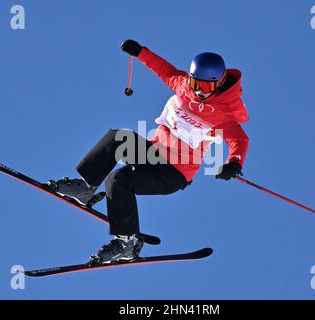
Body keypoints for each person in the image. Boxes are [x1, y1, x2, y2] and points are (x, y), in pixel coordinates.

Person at [48, 39, 250, 265]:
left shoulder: (223, 112)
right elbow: (166, 70)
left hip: (175, 172)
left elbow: (239, 139)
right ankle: (86, 187)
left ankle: (126, 243)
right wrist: (141, 53)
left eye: (207, 87)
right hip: (154, 153)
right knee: (118, 138)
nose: (200, 92)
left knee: (118, 179)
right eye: (196, 84)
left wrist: (234, 163)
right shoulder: (184, 87)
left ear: (219, 84)